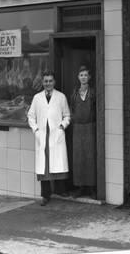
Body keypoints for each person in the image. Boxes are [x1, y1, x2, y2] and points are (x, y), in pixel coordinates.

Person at [27, 70, 71, 206]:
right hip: (42, 135)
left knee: (57, 162)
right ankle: (45, 195)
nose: (48, 83)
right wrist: (36, 130)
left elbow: (67, 115)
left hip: (55, 134)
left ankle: (60, 191)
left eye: (50, 81)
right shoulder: (37, 98)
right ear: (42, 83)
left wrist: (62, 126)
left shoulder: (61, 97)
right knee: (44, 167)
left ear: (54, 82)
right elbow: (31, 116)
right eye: (45, 81)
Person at [70, 65, 97, 199]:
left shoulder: (93, 92)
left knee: (90, 156)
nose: (83, 77)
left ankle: (91, 187)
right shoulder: (75, 92)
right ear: (78, 77)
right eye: (81, 75)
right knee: (78, 157)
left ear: (89, 77)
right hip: (77, 128)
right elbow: (71, 109)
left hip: (90, 127)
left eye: (86, 75)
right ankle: (80, 187)